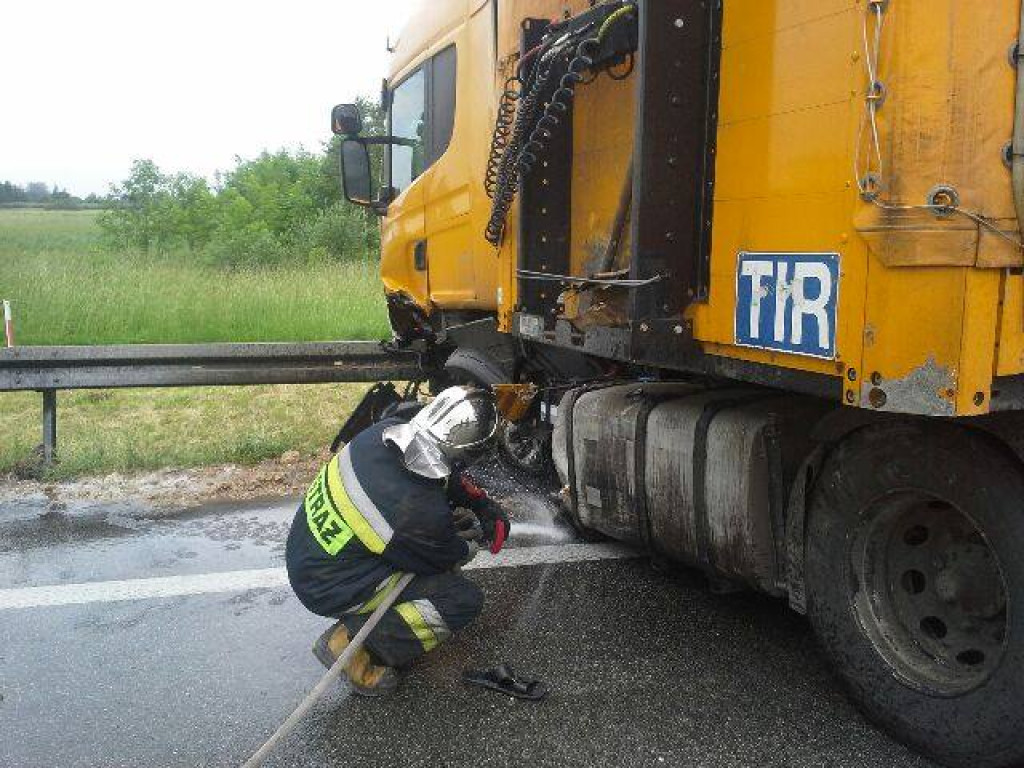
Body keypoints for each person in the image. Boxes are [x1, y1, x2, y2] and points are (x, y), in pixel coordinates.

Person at [285, 386, 509, 696]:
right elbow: (445, 555)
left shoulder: (381, 434)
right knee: (460, 599)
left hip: (310, 555)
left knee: (433, 532)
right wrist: (466, 546)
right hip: (328, 587)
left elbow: (442, 475)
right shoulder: (417, 513)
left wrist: (481, 504)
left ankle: (368, 621)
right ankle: (352, 647)